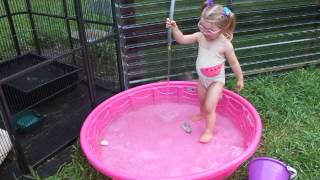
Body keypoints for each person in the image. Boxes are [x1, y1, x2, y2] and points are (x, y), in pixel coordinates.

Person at [166, 1, 244, 143]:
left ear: (222, 28)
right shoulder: (200, 36)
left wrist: (240, 79)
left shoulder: (225, 45)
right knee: (202, 100)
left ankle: (209, 130)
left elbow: (234, 63)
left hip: (216, 81)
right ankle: (202, 113)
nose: (204, 31)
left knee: (209, 106)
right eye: (202, 26)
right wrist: (175, 28)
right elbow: (182, 39)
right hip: (202, 79)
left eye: (210, 29)